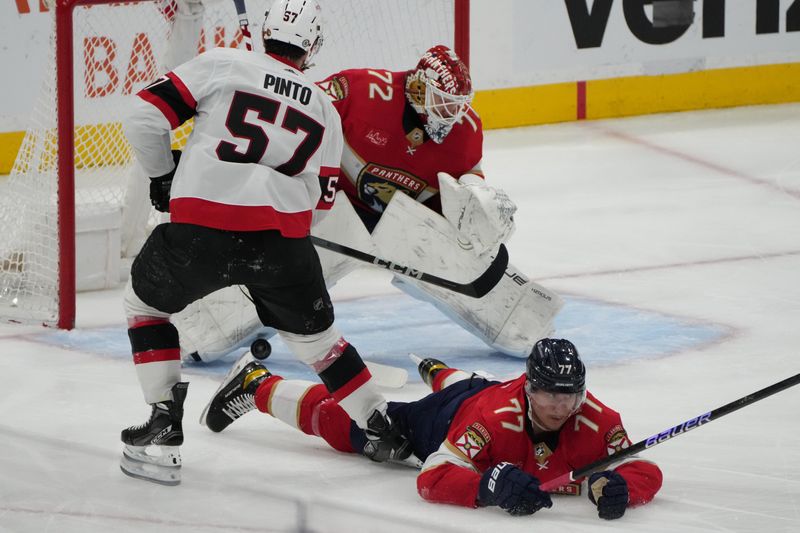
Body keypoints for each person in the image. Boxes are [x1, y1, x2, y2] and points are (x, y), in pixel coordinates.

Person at [119, 0, 410, 486]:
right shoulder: (324, 107)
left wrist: (164, 176)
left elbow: (144, 118)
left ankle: (164, 422)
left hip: (198, 236)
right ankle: (381, 427)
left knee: (144, 308)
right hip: (282, 248)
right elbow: (323, 201)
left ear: (269, 31)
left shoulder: (224, 62)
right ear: (312, 47)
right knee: (320, 344)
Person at [172, 44, 563, 363]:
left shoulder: (466, 131)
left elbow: (466, 193)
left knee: (480, 272)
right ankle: (197, 327)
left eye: (457, 105)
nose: (452, 114)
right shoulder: (361, 91)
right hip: (329, 207)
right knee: (275, 276)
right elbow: (298, 117)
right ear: (417, 88)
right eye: (443, 103)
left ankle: (523, 324)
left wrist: (479, 208)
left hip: (404, 224)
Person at [201, 338, 663, 518]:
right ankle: (258, 384)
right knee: (367, 431)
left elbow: (645, 467)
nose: (561, 407)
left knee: (476, 385)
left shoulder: (597, 417)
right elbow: (432, 477)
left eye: (570, 395)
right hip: (451, 414)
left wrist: (619, 484)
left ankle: (442, 369)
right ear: (528, 390)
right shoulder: (493, 418)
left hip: (485, 389)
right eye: (549, 395)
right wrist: (487, 485)